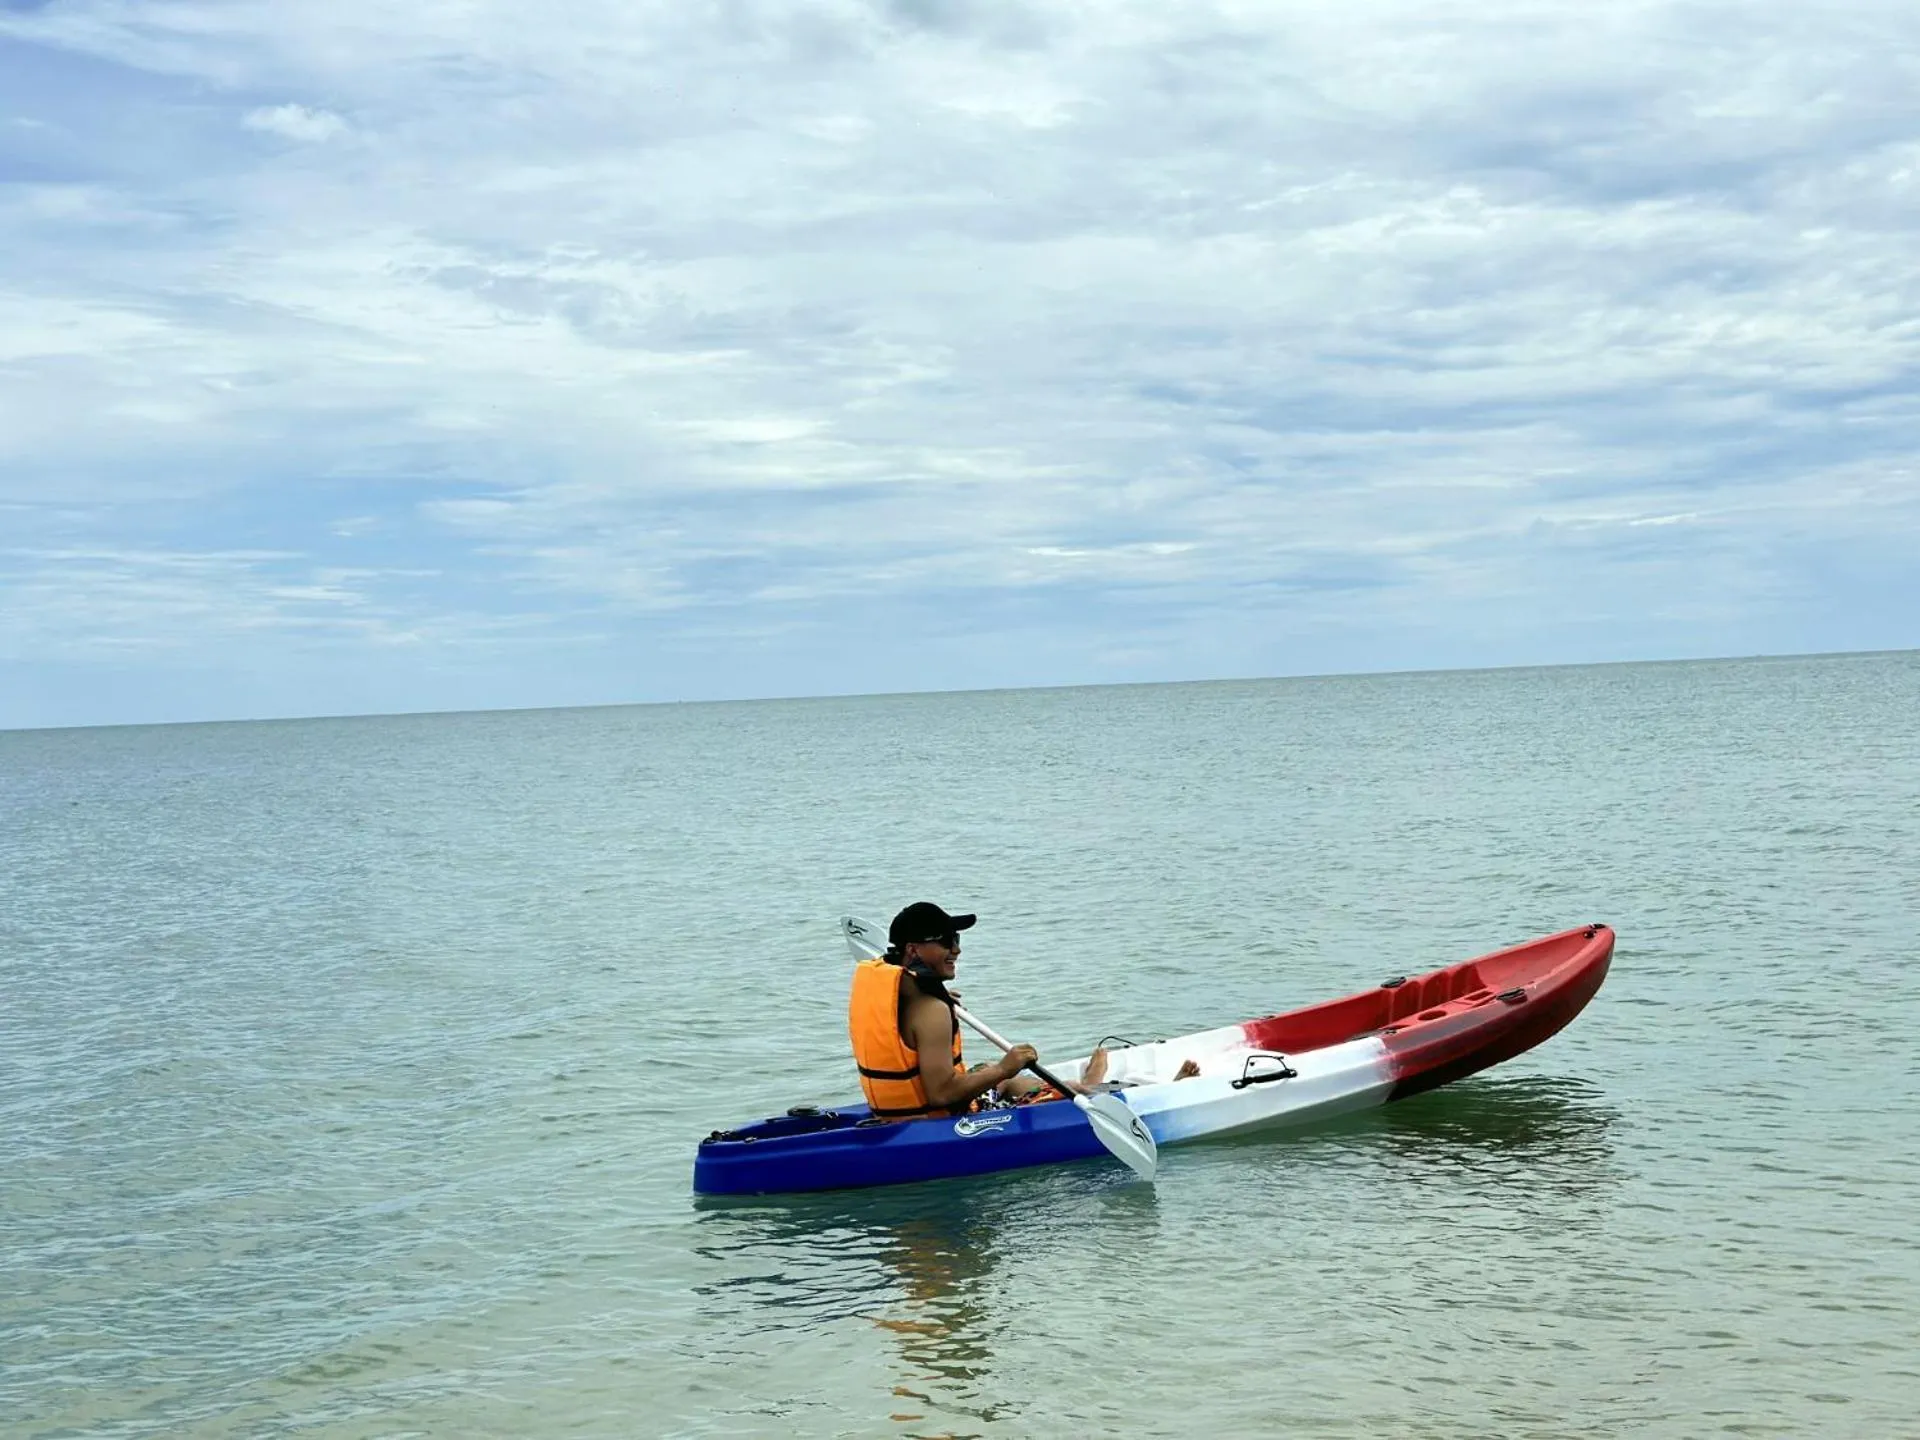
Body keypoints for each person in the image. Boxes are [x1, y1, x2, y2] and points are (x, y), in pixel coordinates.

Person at [849, 901, 1104, 1120]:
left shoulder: (896, 996)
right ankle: (1089, 1085)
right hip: (941, 1123)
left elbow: (906, 1026)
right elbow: (941, 1094)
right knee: (1039, 1085)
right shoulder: (931, 1010)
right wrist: (1005, 1068)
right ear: (913, 949)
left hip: (893, 1118)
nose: (956, 950)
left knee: (988, 1070)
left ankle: (1070, 1083)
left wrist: (939, 997)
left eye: (956, 939)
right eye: (946, 941)